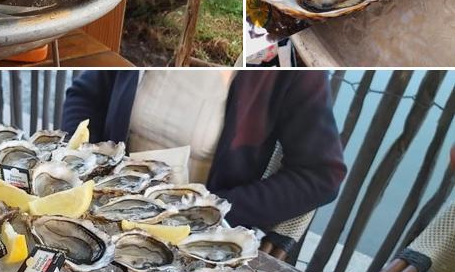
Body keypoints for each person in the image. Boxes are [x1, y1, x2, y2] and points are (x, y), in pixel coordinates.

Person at [62, 70, 347, 231]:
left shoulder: (280, 63)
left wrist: (213, 210)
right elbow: (85, 94)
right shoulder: (147, 31)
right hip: (107, 213)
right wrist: (89, 161)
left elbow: (322, 175)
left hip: (198, 235)